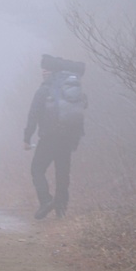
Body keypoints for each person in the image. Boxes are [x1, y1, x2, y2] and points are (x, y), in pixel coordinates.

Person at [24, 53, 86, 220]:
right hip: (69, 137)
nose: (43, 72)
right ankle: (61, 209)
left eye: (45, 70)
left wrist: (27, 138)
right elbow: (83, 106)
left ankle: (45, 201)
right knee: (62, 173)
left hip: (49, 137)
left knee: (37, 169)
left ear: (49, 72)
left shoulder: (44, 90)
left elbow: (33, 115)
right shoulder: (73, 90)